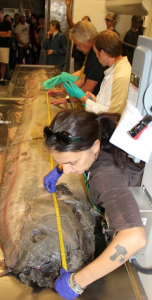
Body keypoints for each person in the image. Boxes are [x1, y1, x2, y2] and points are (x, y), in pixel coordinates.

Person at [43, 109, 146, 300]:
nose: (66, 169)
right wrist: (59, 170)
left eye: (72, 162)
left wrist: (77, 282)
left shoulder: (105, 178)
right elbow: (74, 159)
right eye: (60, 162)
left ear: (95, 146)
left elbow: (134, 238)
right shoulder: (101, 134)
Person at [63, 30, 131, 115]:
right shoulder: (115, 69)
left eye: (96, 53)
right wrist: (94, 100)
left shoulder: (119, 76)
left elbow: (110, 114)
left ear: (102, 53)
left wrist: (83, 98)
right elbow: (108, 102)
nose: (96, 57)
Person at [47, 21, 106, 106]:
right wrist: (61, 91)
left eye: (78, 44)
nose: (77, 48)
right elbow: (82, 80)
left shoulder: (97, 58)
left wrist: (66, 99)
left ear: (88, 41)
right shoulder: (89, 53)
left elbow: (87, 89)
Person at [65, 0, 90, 71]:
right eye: (82, 21)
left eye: (86, 21)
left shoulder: (91, 33)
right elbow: (69, 22)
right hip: (78, 58)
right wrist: (68, 6)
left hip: (86, 59)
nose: (84, 22)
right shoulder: (77, 30)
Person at [0, 7, 12, 85]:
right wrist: (4, 33)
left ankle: (1, 79)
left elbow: (9, 34)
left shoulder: (7, 23)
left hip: (5, 46)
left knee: (3, 63)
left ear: (2, 14)